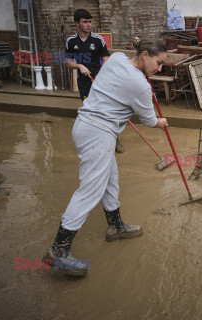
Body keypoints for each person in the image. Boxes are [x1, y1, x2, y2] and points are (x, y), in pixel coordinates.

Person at [44, 37, 169, 276]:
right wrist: (160, 122)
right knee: (90, 189)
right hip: (98, 133)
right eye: (159, 62)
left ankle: (115, 225)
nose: (159, 69)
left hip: (86, 125)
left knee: (110, 178)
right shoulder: (140, 85)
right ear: (144, 55)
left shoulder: (117, 58)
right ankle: (59, 249)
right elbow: (149, 119)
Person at [65, 9, 124, 153]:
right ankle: (94, 138)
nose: (89, 24)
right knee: (89, 110)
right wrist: (79, 66)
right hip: (83, 81)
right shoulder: (71, 41)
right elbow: (68, 62)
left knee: (106, 110)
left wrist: (102, 75)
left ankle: (115, 139)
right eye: (85, 22)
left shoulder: (98, 40)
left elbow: (106, 60)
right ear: (77, 23)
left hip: (100, 80)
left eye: (90, 21)